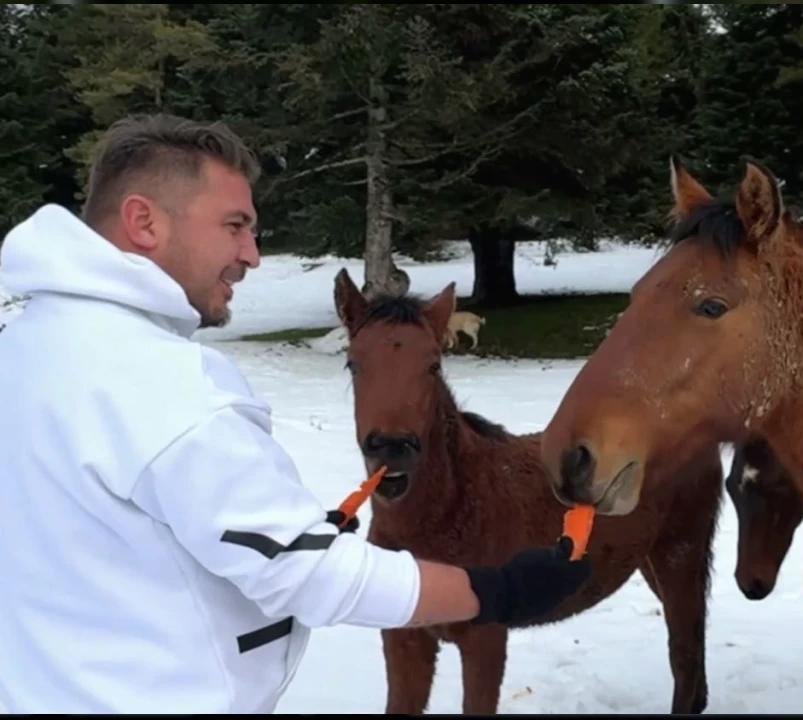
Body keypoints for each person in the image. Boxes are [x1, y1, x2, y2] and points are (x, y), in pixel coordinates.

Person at [0, 113, 592, 714]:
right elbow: (307, 577)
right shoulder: (159, 383)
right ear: (143, 221)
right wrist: (497, 589)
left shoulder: (26, 347)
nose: (251, 255)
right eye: (235, 226)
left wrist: (283, 532)